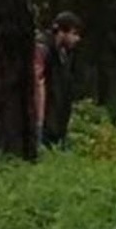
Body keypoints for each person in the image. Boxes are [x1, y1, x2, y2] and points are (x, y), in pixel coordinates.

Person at [34, 11, 83, 148]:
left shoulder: (64, 54)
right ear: (62, 32)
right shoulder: (43, 49)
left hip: (57, 123)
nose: (77, 39)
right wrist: (39, 120)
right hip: (44, 123)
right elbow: (38, 82)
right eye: (74, 33)